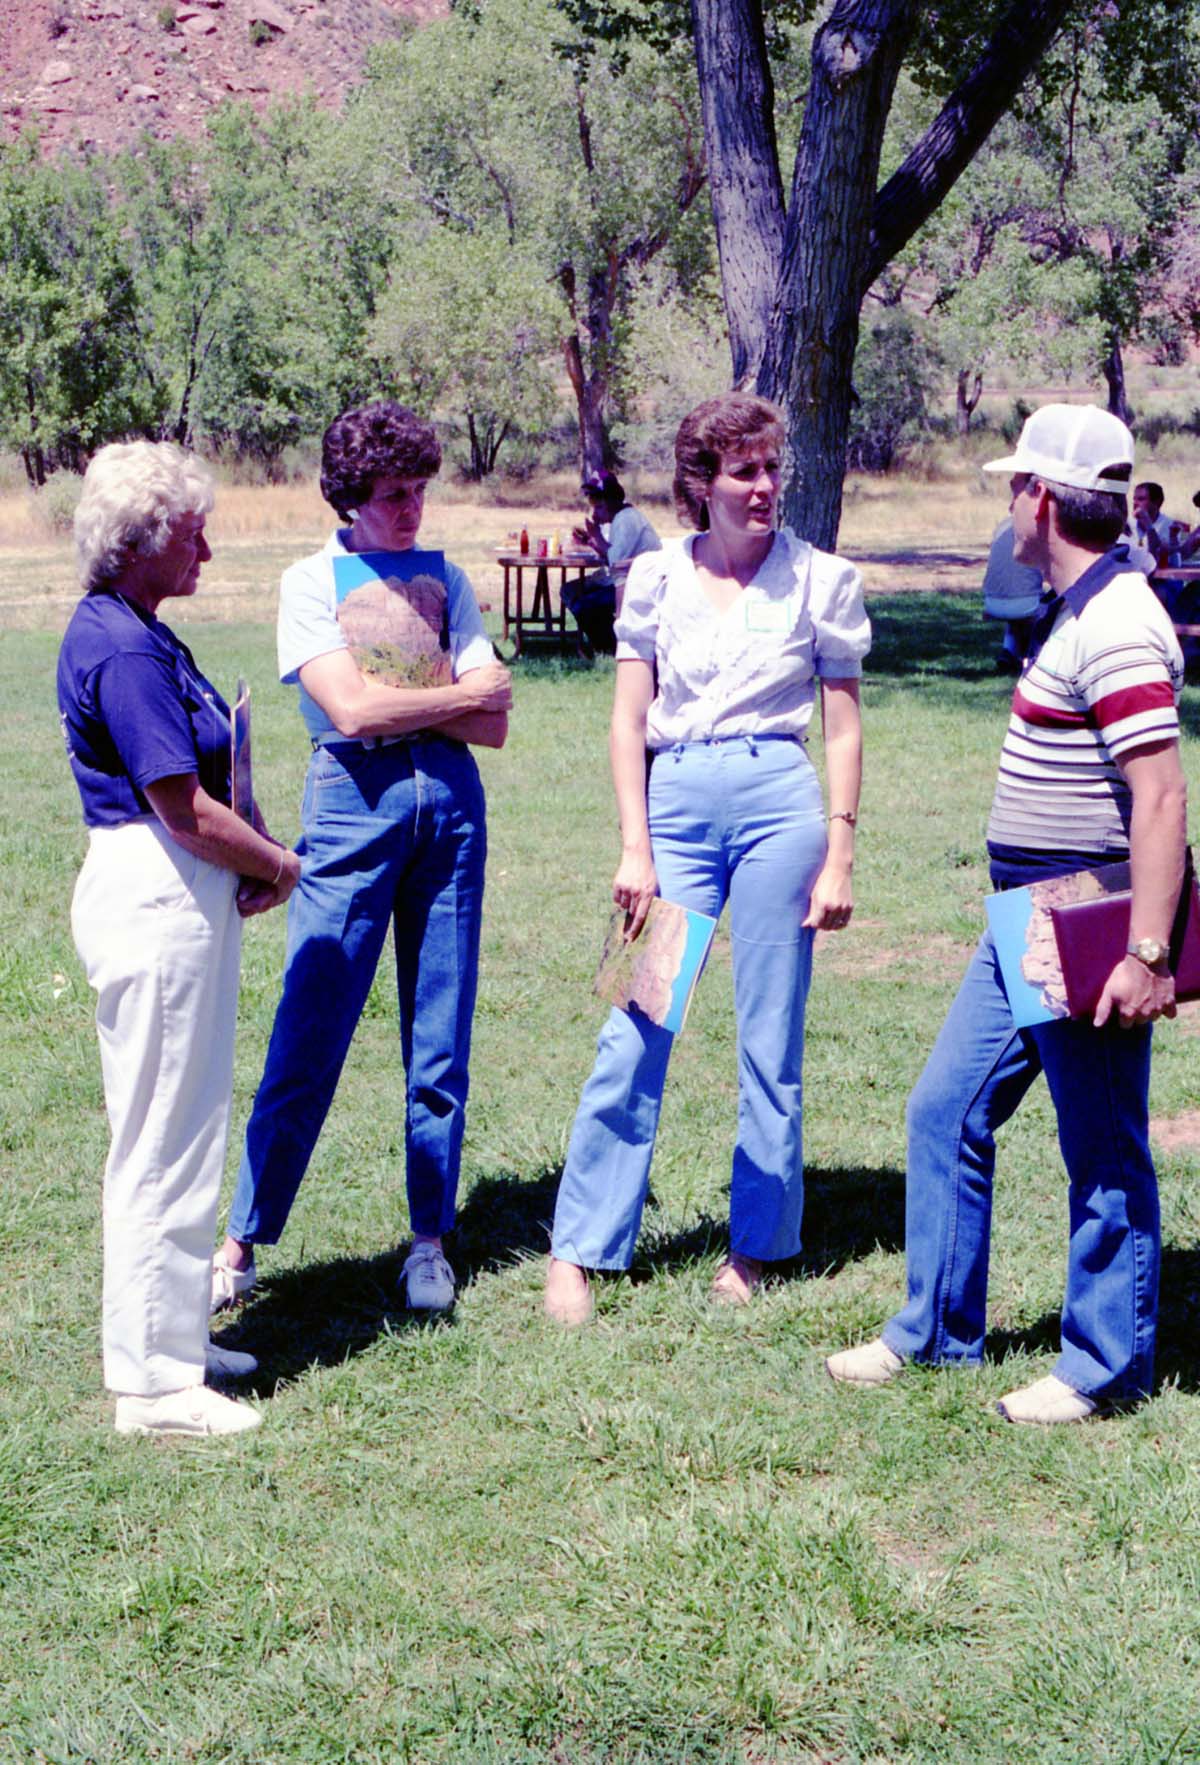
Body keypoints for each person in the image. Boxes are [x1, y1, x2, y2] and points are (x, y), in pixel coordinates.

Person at [828, 404, 1187, 1424]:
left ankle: (1103, 1364)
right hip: (1023, 918)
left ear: (1039, 499)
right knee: (948, 1107)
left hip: (1087, 919)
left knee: (1103, 1142)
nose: (1007, 509)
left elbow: (1160, 797)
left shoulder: (1116, 620)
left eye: (1010, 489)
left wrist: (1146, 950)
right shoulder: (1076, 606)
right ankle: (937, 1331)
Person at [544, 392, 870, 1325]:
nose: (764, 488)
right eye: (744, 472)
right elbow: (625, 719)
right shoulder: (651, 578)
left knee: (771, 1035)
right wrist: (634, 845)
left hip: (780, 805)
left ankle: (759, 1244)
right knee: (636, 1020)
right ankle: (580, 1247)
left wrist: (839, 849)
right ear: (701, 484)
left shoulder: (822, 580)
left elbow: (842, 726)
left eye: (773, 470)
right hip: (675, 805)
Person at [212, 402, 511, 1316]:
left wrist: (404, 700)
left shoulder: (446, 577)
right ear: (349, 496)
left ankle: (430, 1240)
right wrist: (444, 696)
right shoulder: (312, 581)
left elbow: (493, 720)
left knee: (439, 1035)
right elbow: (348, 714)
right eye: (392, 496)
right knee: (312, 1022)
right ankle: (242, 1241)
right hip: (350, 806)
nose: (412, 509)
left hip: (451, 809)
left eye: (421, 490)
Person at [58, 441, 301, 1436]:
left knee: (186, 1122)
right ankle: (153, 1384)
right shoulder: (117, 646)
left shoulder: (143, 632)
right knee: (162, 1136)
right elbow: (181, 806)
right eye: (192, 533)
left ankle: (173, 1338)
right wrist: (277, 864)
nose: (207, 548)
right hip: (154, 889)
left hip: (179, 890)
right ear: (141, 541)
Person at [563, 470, 660, 654]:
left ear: (612, 501)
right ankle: (600, 643)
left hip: (639, 584)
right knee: (570, 590)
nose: (595, 513)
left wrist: (595, 534)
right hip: (624, 579)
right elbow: (610, 553)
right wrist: (590, 540)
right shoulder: (618, 520)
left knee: (584, 603)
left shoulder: (626, 520)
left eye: (599, 507)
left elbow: (615, 561)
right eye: (593, 506)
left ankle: (608, 646)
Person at [981, 513, 1044, 671]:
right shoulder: (1038, 527)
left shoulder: (1002, 526)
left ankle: (1008, 651)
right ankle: (1031, 656)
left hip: (991, 601)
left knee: (1017, 605)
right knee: (1049, 605)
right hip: (1025, 603)